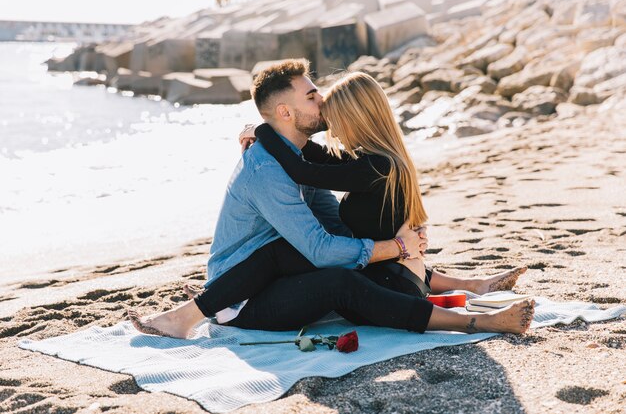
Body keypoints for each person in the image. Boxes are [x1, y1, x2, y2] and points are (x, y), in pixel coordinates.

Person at [128, 59, 534, 339]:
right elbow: (323, 248)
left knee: (335, 260)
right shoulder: (269, 169)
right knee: (333, 269)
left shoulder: (305, 157)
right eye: (312, 96)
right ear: (285, 112)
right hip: (245, 298)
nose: (322, 101)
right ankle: (193, 314)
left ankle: (469, 297)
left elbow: (332, 222)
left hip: (282, 273)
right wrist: (394, 247)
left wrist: (397, 249)